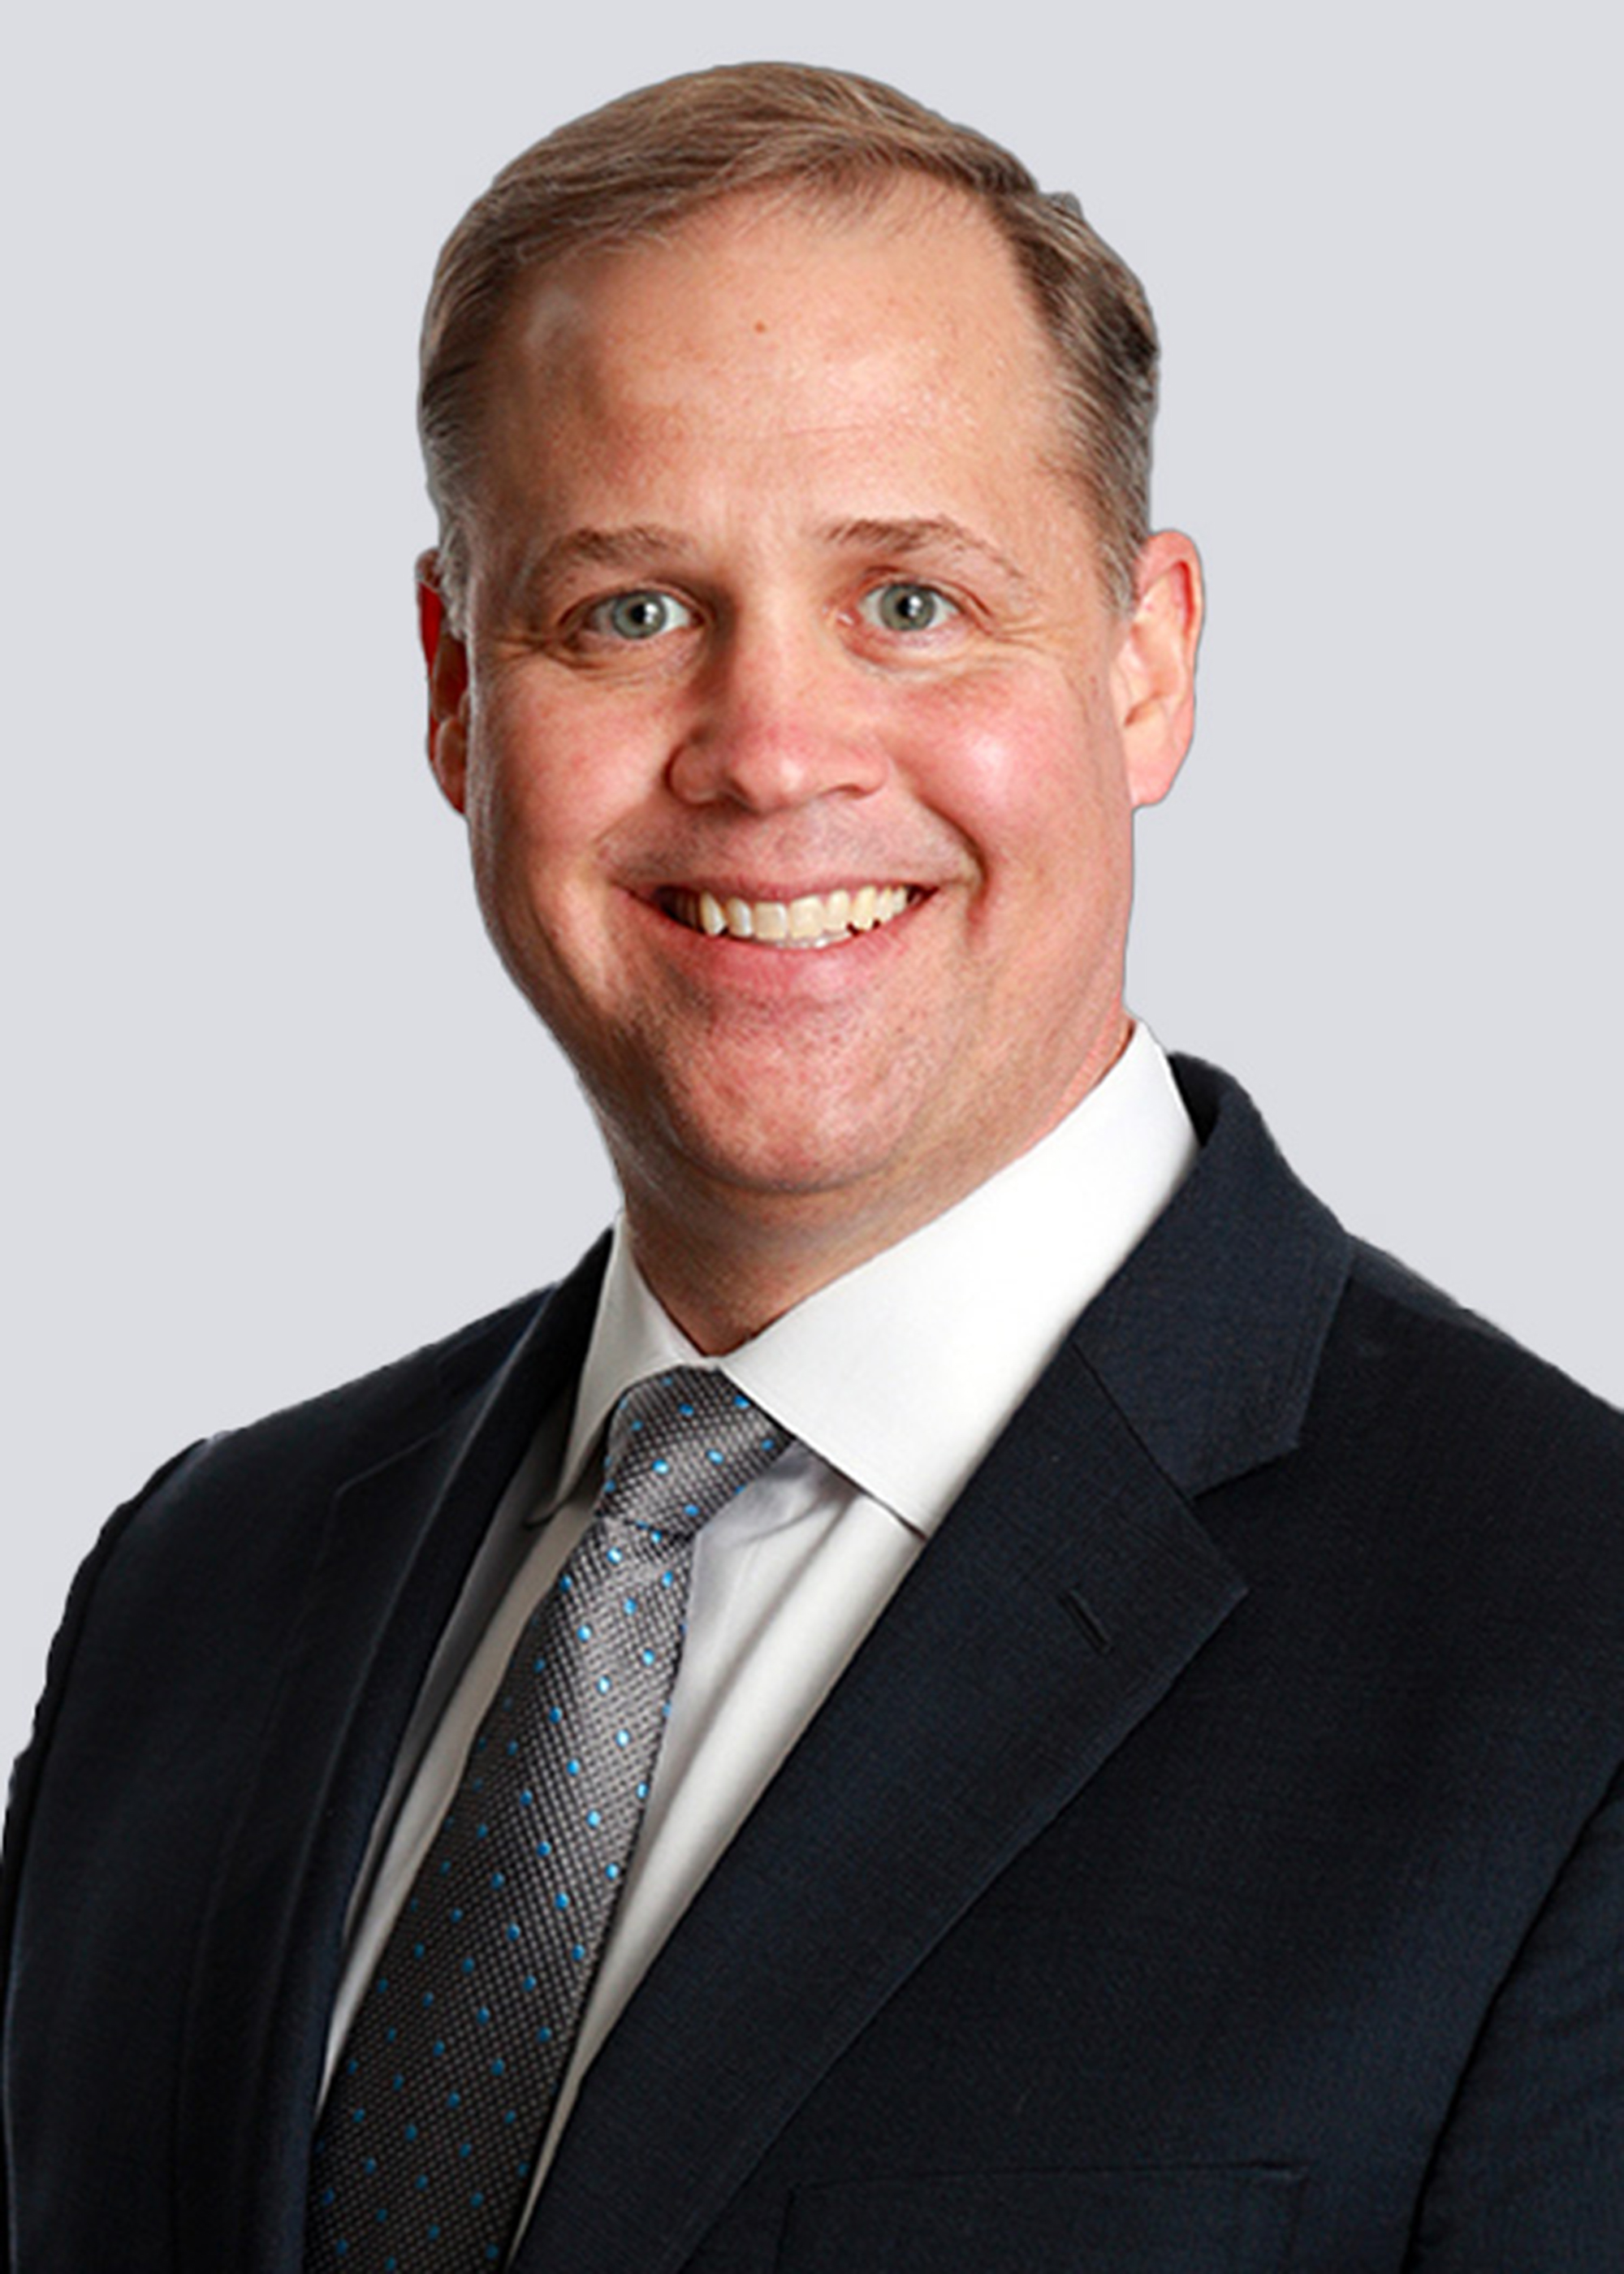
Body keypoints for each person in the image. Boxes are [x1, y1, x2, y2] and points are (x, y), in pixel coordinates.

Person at [3, 59, 1621, 2274]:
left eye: (914, 603)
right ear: (457, 690)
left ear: (1147, 665)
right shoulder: (190, 1601)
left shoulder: (1568, 1661)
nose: (770, 754)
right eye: (629, 612)